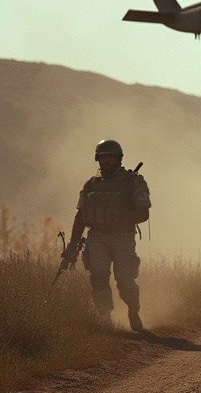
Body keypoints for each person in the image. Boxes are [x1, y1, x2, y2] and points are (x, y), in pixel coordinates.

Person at [61, 139, 151, 330]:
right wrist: (72, 245)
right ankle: (106, 322)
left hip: (123, 237)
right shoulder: (91, 184)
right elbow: (81, 216)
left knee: (125, 282)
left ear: (119, 158)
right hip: (97, 237)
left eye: (112, 156)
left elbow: (144, 213)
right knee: (98, 278)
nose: (108, 160)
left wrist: (122, 216)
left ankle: (133, 310)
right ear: (98, 159)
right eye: (104, 157)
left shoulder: (133, 181)